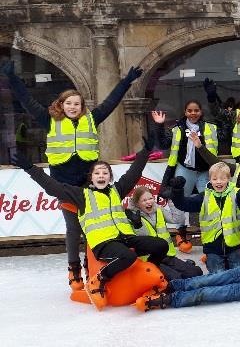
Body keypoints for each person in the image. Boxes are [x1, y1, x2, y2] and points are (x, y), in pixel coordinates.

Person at [1, 59, 143, 291]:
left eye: (77, 104)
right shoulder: (49, 120)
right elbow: (27, 101)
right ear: (61, 105)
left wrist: (126, 81)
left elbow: (111, 102)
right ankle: (73, 268)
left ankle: (93, 266)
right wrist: (13, 79)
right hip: (64, 184)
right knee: (73, 228)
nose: (73, 107)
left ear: (82, 106)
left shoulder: (92, 119)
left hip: (89, 185)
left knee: (94, 228)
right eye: (69, 103)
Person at [12, 136, 169, 310]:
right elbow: (52, 186)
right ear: (91, 178)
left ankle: (145, 277)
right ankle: (99, 280)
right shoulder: (82, 195)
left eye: (105, 173)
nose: (101, 176)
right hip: (103, 243)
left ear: (110, 177)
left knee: (161, 245)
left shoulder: (117, 190)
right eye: (97, 173)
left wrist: (145, 152)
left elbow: (134, 173)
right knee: (128, 256)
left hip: (125, 238)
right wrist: (29, 168)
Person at [153, 100, 218, 252]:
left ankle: (211, 235)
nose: (193, 113)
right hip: (185, 169)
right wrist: (159, 125)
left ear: (201, 112)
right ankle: (180, 233)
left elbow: (226, 133)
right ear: (185, 112)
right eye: (190, 110)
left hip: (205, 171)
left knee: (209, 201)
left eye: (196, 110)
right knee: (178, 200)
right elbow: (163, 144)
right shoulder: (178, 129)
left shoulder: (210, 127)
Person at [168, 162, 240, 274]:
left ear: (229, 179)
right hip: (212, 248)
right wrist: (177, 191)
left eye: (222, 178)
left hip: (234, 246)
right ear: (209, 179)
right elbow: (183, 204)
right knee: (218, 278)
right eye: (215, 179)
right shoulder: (204, 197)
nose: (219, 182)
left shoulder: (236, 194)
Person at [126, 186, 203, 280]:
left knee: (196, 272)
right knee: (176, 279)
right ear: (137, 203)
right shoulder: (131, 217)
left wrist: (171, 200)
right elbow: (143, 240)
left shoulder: (158, 209)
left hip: (167, 255)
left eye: (150, 198)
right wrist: (138, 225)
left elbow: (178, 219)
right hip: (150, 260)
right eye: (144, 200)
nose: (149, 202)